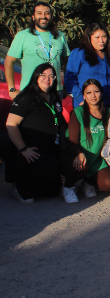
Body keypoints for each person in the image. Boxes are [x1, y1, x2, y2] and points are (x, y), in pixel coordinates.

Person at [5, 64, 66, 203]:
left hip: (50, 150)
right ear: (36, 77)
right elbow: (11, 125)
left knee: (53, 192)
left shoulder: (53, 98)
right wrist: (23, 149)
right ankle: (21, 190)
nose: (47, 79)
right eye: (43, 75)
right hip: (31, 151)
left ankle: (33, 182)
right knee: (48, 164)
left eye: (51, 76)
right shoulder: (26, 98)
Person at [60, 79, 110, 203]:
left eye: (96, 91)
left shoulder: (109, 112)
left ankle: (87, 182)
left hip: (96, 158)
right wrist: (79, 153)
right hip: (75, 154)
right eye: (89, 92)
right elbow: (72, 142)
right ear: (84, 96)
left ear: (101, 93)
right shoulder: (78, 112)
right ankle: (68, 186)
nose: (93, 95)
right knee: (81, 164)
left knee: (109, 184)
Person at [5, 2, 70, 100]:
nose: (43, 16)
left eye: (47, 13)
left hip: (55, 91)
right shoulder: (23, 36)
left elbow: (68, 63)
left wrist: (66, 87)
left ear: (51, 16)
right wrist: (11, 89)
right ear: (33, 16)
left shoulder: (60, 36)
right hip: (30, 91)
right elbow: (9, 62)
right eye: (39, 13)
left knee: (55, 116)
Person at [65, 23, 110, 109]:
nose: (101, 41)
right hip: (85, 105)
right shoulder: (79, 53)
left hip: (107, 105)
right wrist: (80, 99)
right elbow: (70, 79)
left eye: (104, 37)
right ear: (89, 38)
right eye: (97, 37)